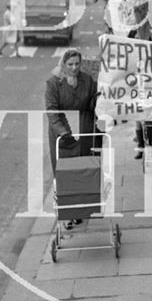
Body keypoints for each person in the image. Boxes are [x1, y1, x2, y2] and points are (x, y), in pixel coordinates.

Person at [45, 49, 99, 229]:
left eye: (77, 64)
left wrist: (99, 98)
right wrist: (62, 132)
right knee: (64, 174)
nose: (74, 68)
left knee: (83, 171)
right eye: (70, 64)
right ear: (63, 64)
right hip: (64, 134)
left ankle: (81, 212)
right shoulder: (53, 82)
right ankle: (67, 214)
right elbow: (52, 111)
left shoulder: (87, 80)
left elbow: (92, 104)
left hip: (83, 130)